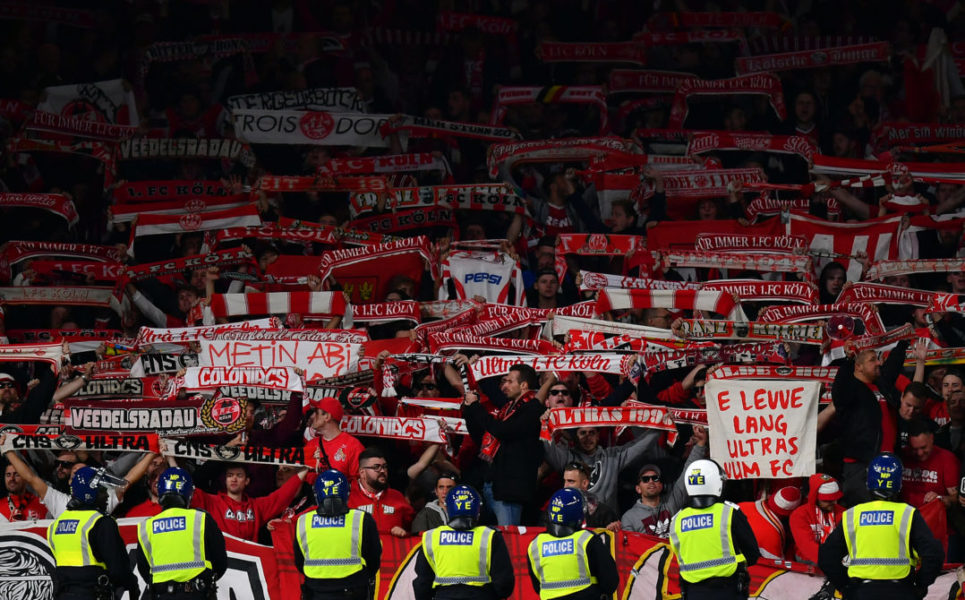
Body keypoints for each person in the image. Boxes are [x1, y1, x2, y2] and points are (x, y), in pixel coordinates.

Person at [818, 452, 944, 600]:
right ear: (899, 482)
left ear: (868, 481)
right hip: (901, 592)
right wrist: (920, 585)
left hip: (861, 592)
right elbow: (934, 554)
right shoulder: (907, 514)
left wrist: (846, 586)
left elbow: (827, 557)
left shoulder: (852, 515)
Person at [463, 363, 545, 525]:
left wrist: (476, 406)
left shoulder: (532, 410)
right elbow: (482, 436)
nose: (504, 385)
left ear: (523, 385)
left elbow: (502, 430)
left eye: (509, 381)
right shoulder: (506, 410)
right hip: (491, 484)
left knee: (509, 539)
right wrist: (468, 410)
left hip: (510, 491)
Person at [668, 459, 760, 600]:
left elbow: (679, 556)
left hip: (692, 593)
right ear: (717, 483)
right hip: (728, 591)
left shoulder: (676, 520)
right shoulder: (729, 512)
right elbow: (752, 555)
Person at [136, 467, 227, 599]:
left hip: (161, 595)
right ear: (189, 492)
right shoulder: (201, 519)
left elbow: (144, 569)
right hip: (196, 593)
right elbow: (220, 561)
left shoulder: (146, 526)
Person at [46, 466, 137, 600]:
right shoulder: (101, 522)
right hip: (93, 593)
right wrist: (132, 585)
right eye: (102, 491)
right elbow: (119, 569)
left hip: (63, 594)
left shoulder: (56, 525)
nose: (107, 495)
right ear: (89, 493)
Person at [413, 484, 515, 600]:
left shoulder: (431, 537)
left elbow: (422, 584)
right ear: (478, 510)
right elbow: (504, 583)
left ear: (448, 508)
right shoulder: (489, 536)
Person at [295, 469, 381, 600]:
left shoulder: (303, 521)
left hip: (316, 592)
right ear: (347, 493)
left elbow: (300, 562)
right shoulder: (363, 519)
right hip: (353, 591)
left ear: (316, 494)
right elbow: (374, 560)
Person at [526, 488, 619, 600]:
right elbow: (610, 582)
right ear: (579, 515)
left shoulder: (535, 545)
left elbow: (538, 587)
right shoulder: (587, 540)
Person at [620, 425, 709, 537]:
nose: (651, 481)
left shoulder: (671, 503)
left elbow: (688, 474)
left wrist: (700, 444)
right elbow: (629, 549)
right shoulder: (630, 517)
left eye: (655, 478)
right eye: (645, 479)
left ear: (661, 485)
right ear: (638, 488)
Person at [192, 462, 308, 542]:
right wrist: (172, 459)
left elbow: (282, 495)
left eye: (239, 475)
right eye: (230, 475)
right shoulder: (211, 501)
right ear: (225, 480)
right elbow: (185, 488)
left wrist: (306, 468)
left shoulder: (256, 506)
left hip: (247, 567)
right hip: (221, 564)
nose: (234, 479)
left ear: (246, 481)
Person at [348, 447, 414, 537]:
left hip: (392, 550)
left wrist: (404, 533)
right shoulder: (348, 498)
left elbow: (413, 530)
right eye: (376, 467)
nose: (382, 471)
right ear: (362, 472)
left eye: (384, 467)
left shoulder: (397, 496)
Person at [304, 396, 365, 479]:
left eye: (316, 412)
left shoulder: (353, 446)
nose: (312, 416)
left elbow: (360, 482)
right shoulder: (311, 444)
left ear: (327, 417)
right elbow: (304, 477)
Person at [789, 473, 844, 564]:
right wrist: (829, 562)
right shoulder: (799, 515)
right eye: (827, 500)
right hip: (807, 559)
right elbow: (806, 546)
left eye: (834, 499)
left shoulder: (842, 513)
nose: (833, 503)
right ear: (815, 498)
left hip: (835, 557)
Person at [737, 486, 803, 561]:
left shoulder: (742, 505)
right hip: (734, 563)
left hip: (723, 555)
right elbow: (778, 565)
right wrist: (791, 549)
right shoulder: (773, 536)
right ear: (789, 513)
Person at [559, 462, 620, 530]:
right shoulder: (556, 509)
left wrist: (613, 530)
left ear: (584, 483)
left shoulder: (604, 513)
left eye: (571, 481)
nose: (565, 486)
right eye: (565, 481)